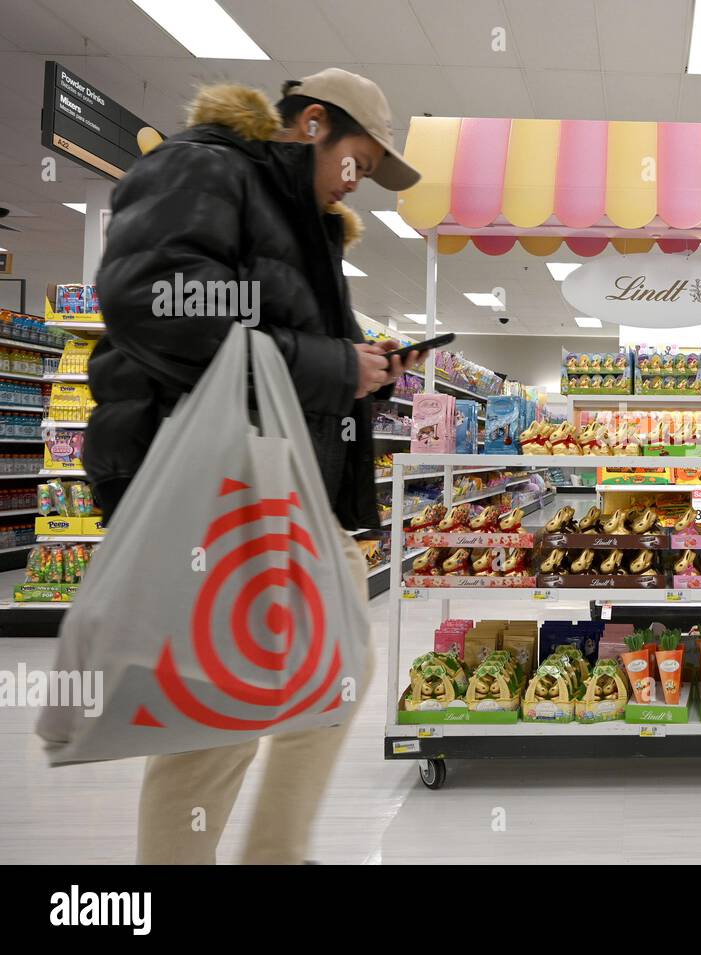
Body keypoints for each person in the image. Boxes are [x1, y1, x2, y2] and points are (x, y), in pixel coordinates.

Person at [85, 69, 426, 864]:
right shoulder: (205, 167)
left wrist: (363, 366)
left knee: (336, 663)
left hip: (283, 484)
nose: (358, 185)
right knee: (215, 716)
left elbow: (289, 352)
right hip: (208, 482)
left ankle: (276, 853)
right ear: (313, 125)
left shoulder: (308, 226)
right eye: (360, 164)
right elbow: (156, 301)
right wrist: (332, 363)